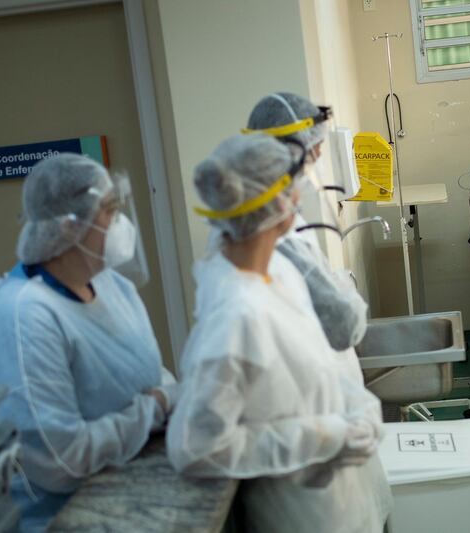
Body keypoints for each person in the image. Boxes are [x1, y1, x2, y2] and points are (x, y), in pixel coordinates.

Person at [166, 134, 391, 533]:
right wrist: (324, 436)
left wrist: (359, 408)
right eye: (292, 185)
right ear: (273, 201)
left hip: (346, 498)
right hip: (300, 511)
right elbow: (198, 447)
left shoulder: (278, 274)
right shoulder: (236, 314)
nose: (299, 194)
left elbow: (319, 362)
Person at [0, 154, 176, 531]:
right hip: (61, 519)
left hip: (128, 495)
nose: (122, 224)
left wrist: (168, 397)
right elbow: (60, 461)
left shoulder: (113, 286)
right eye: (110, 210)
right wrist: (155, 408)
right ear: (70, 227)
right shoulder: (22, 316)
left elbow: (147, 376)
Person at [245, 92, 369, 381]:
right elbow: (343, 324)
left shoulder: (273, 215)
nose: (319, 155)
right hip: (306, 384)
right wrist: (343, 291)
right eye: (316, 146)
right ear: (290, 151)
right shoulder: (274, 230)